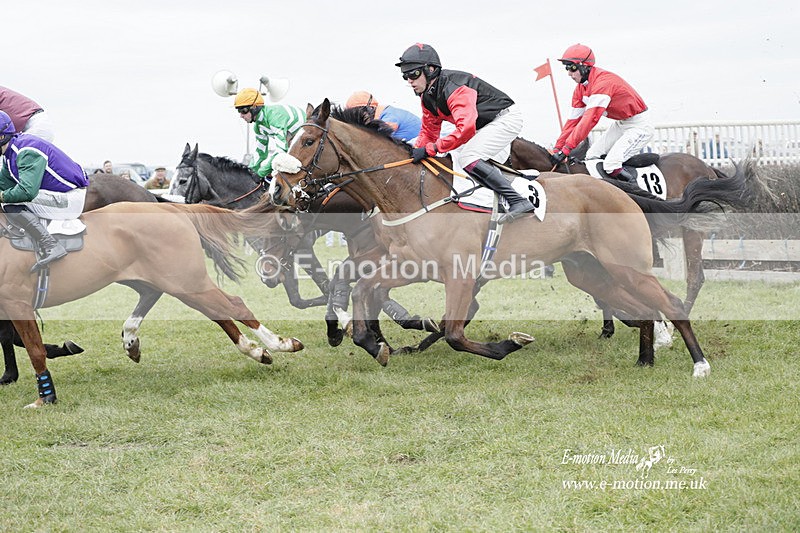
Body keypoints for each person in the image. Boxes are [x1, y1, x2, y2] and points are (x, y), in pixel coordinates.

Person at [396, 43, 535, 224]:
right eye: (405, 76)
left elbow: (465, 129)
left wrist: (431, 149)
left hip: (504, 119)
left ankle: (517, 200)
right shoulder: (427, 97)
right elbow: (429, 132)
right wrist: (415, 153)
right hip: (483, 125)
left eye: (413, 74)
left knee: (468, 157)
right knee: (454, 156)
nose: (409, 80)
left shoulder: (455, 88)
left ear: (430, 70)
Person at [551, 44, 654, 182]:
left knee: (611, 165)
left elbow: (589, 120)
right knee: (591, 157)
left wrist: (566, 149)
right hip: (622, 124)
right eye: (566, 68)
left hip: (640, 125)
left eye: (572, 68)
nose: (569, 73)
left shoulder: (603, 83)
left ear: (585, 66)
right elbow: (572, 122)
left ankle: (634, 191)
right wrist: (557, 148)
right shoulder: (580, 90)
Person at [0, 111, 89, 271]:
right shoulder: (10, 153)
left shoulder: (25, 151)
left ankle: (50, 245)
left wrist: (2, 196)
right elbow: (3, 184)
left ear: (1, 137)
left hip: (69, 200)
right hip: (58, 195)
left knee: (9, 202)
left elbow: (26, 192)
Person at [233, 88, 305, 181]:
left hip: (306, 136)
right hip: (292, 139)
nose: (241, 115)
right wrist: (249, 172)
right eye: (239, 111)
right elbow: (261, 153)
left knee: (281, 167)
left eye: (243, 110)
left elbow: (281, 150)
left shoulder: (274, 116)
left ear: (255, 108)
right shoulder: (258, 127)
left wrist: (260, 173)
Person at [345, 91, 421, 143]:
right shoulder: (383, 114)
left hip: (421, 143)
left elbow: (379, 141)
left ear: (370, 108)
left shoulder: (389, 117)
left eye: (358, 112)